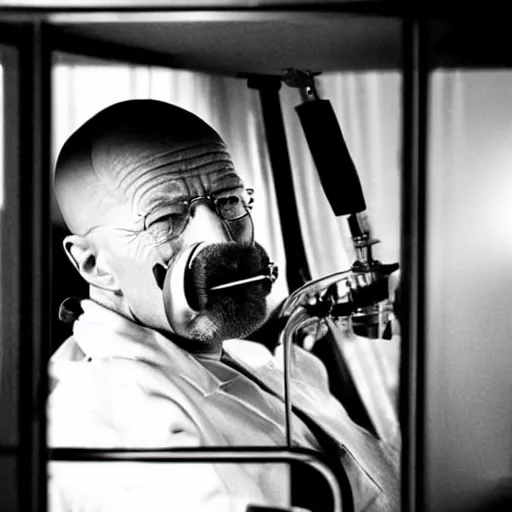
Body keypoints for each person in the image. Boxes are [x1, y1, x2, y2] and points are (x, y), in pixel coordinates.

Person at [48, 99, 400, 512]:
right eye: (165, 219)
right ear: (94, 263)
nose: (221, 238)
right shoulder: (104, 410)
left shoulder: (260, 359)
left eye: (229, 200)